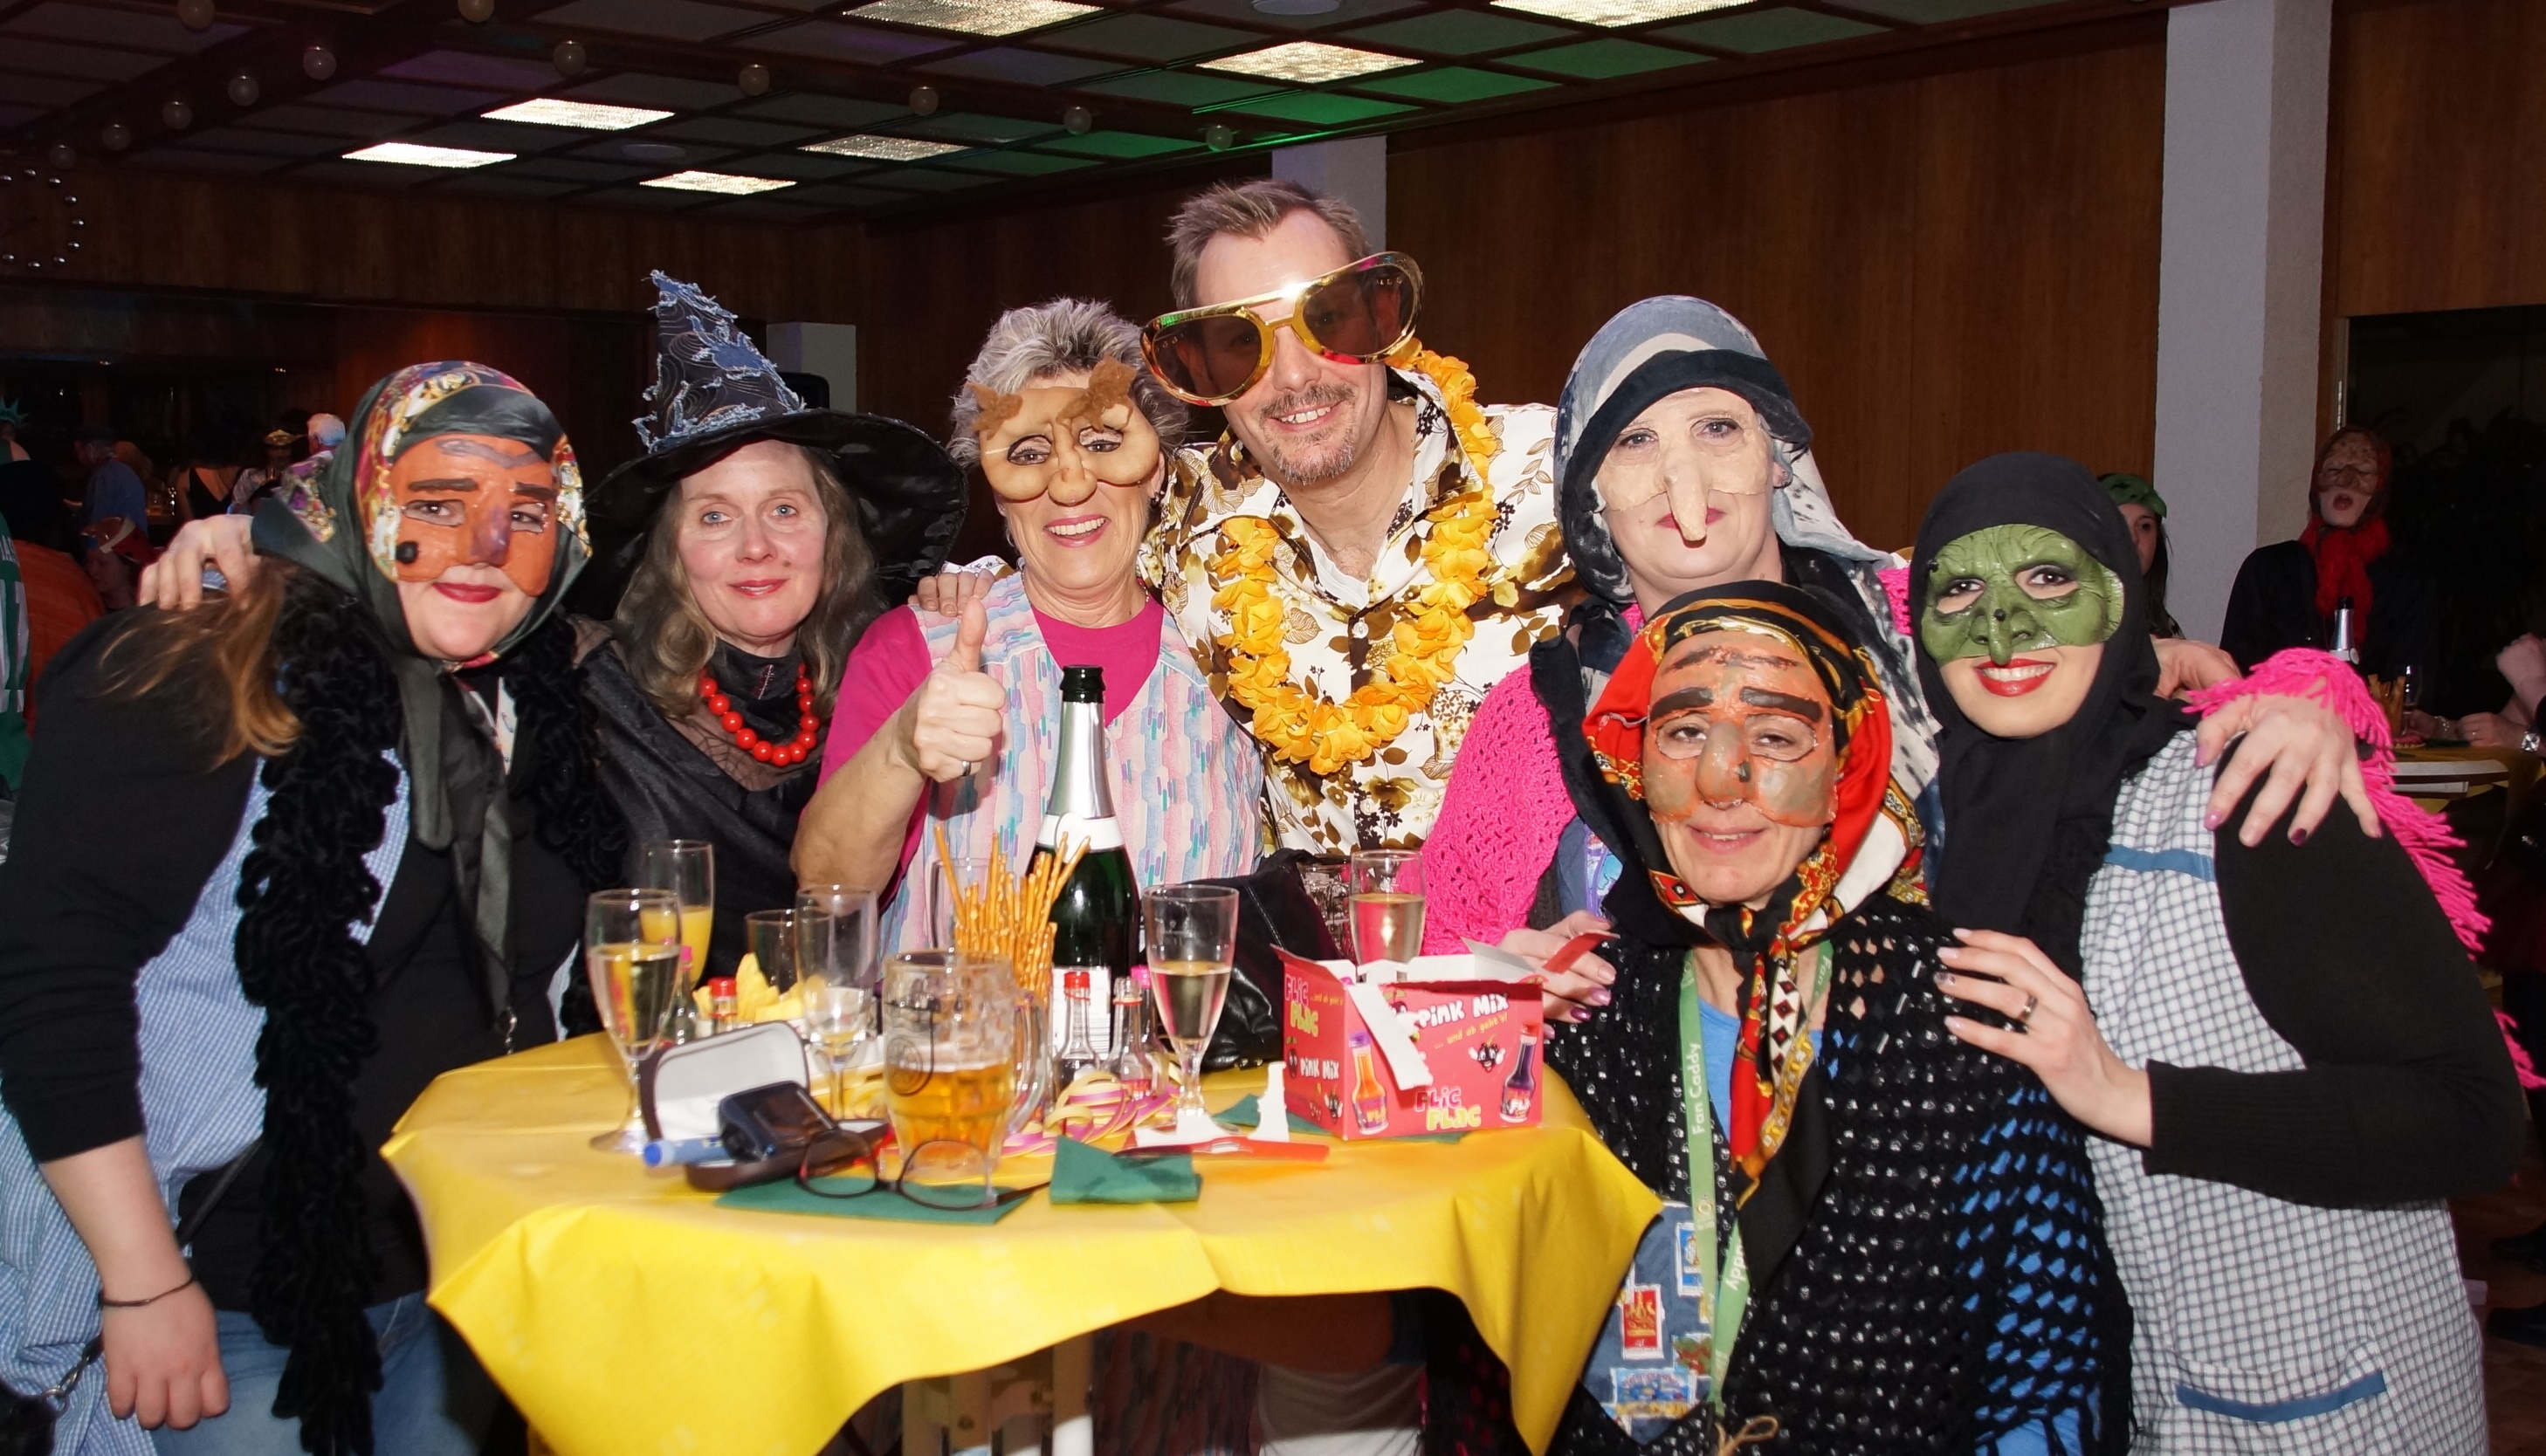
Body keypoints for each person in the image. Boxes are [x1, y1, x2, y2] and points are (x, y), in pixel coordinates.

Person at [0, 361, 624, 1455]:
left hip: (451, 1278)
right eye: (435, 504)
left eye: (523, 515)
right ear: (359, 501)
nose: (483, 545)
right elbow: (54, 988)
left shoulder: (528, 705)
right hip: (225, 1292)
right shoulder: (198, 666)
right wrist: (143, 1284)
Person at [1420, 298, 2377, 979]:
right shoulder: (1543, 711)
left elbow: (2162, 716)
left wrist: (2302, 704)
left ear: (1780, 457)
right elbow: (1435, 943)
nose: (1686, 484)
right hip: (1651, 1155)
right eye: (1633, 443)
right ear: (1589, 499)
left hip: (1946, 1118)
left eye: (1718, 427)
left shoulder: (1930, 616)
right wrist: (1490, 972)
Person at [1910, 452, 2517, 1448]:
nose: (2002, 625)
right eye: (1960, 586)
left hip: (2313, 1407)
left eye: (2050, 578)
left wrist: (2126, 1093)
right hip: (2108, 1390)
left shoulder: (2251, 795)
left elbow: (2471, 1116)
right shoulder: (1944, 830)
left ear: (2120, 597)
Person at [1524, 581, 2124, 1454]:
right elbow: (1485, 1319)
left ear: (1847, 765)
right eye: (1685, 732)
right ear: (1633, 764)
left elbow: (2048, 1382)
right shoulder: (1587, 1013)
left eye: (1774, 736)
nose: (1720, 780)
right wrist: (1488, 1057)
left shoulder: (1958, 1023)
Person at [922, 181, 1571, 855]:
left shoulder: (1554, 475)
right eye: (1242, 342)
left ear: (1378, 319)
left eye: (1326, 319)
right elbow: (1072, 509)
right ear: (1201, 369)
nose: (1292, 378)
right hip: (1299, 954)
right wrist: (971, 576)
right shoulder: (1188, 519)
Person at [795, 299, 1265, 938]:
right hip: (964, 1038)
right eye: (1028, 454)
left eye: (1103, 444)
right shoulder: (915, 646)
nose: (1069, 487)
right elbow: (825, 893)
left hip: (1179, 1038)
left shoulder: (1239, 659)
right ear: (997, 488)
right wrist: (904, 748)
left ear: (1156, 468)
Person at [583, 273, 967, 979]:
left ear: (832, 534)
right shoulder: (592, 697)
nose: (756, 546)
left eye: (785, 509)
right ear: (670, 548)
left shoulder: (878, 676)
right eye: (715, 516)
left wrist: (970, 603)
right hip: (647, 1061)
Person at [2222, 425, 2438, 677]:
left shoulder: (2407, 583)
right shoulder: (2268, 569)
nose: (2345, 480)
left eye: (2364, 472)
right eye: (2333, 469)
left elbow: (2410, 693)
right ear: (2316, 484)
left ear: (2381, 489)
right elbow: (2232, 675)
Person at [2099, 470, 2178, 637]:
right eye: (2118, 524)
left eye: (2144, 526)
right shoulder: (2065, 625)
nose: (2133, 538)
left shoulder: (2165, 628)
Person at [73, 425, 147, 548]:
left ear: (90, 450)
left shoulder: (103, 476)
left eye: (78, 451)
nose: (77, 457)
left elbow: (97, 530)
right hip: (135, 554)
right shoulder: (127, 471)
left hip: (114, 558)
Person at [226, 426, 299, 514]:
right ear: (266, 451)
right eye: (274, 449)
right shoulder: (250, 475)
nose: (280, 454)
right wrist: (259, 493)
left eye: (285, 448)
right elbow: (235, 511)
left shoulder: (301, 474)